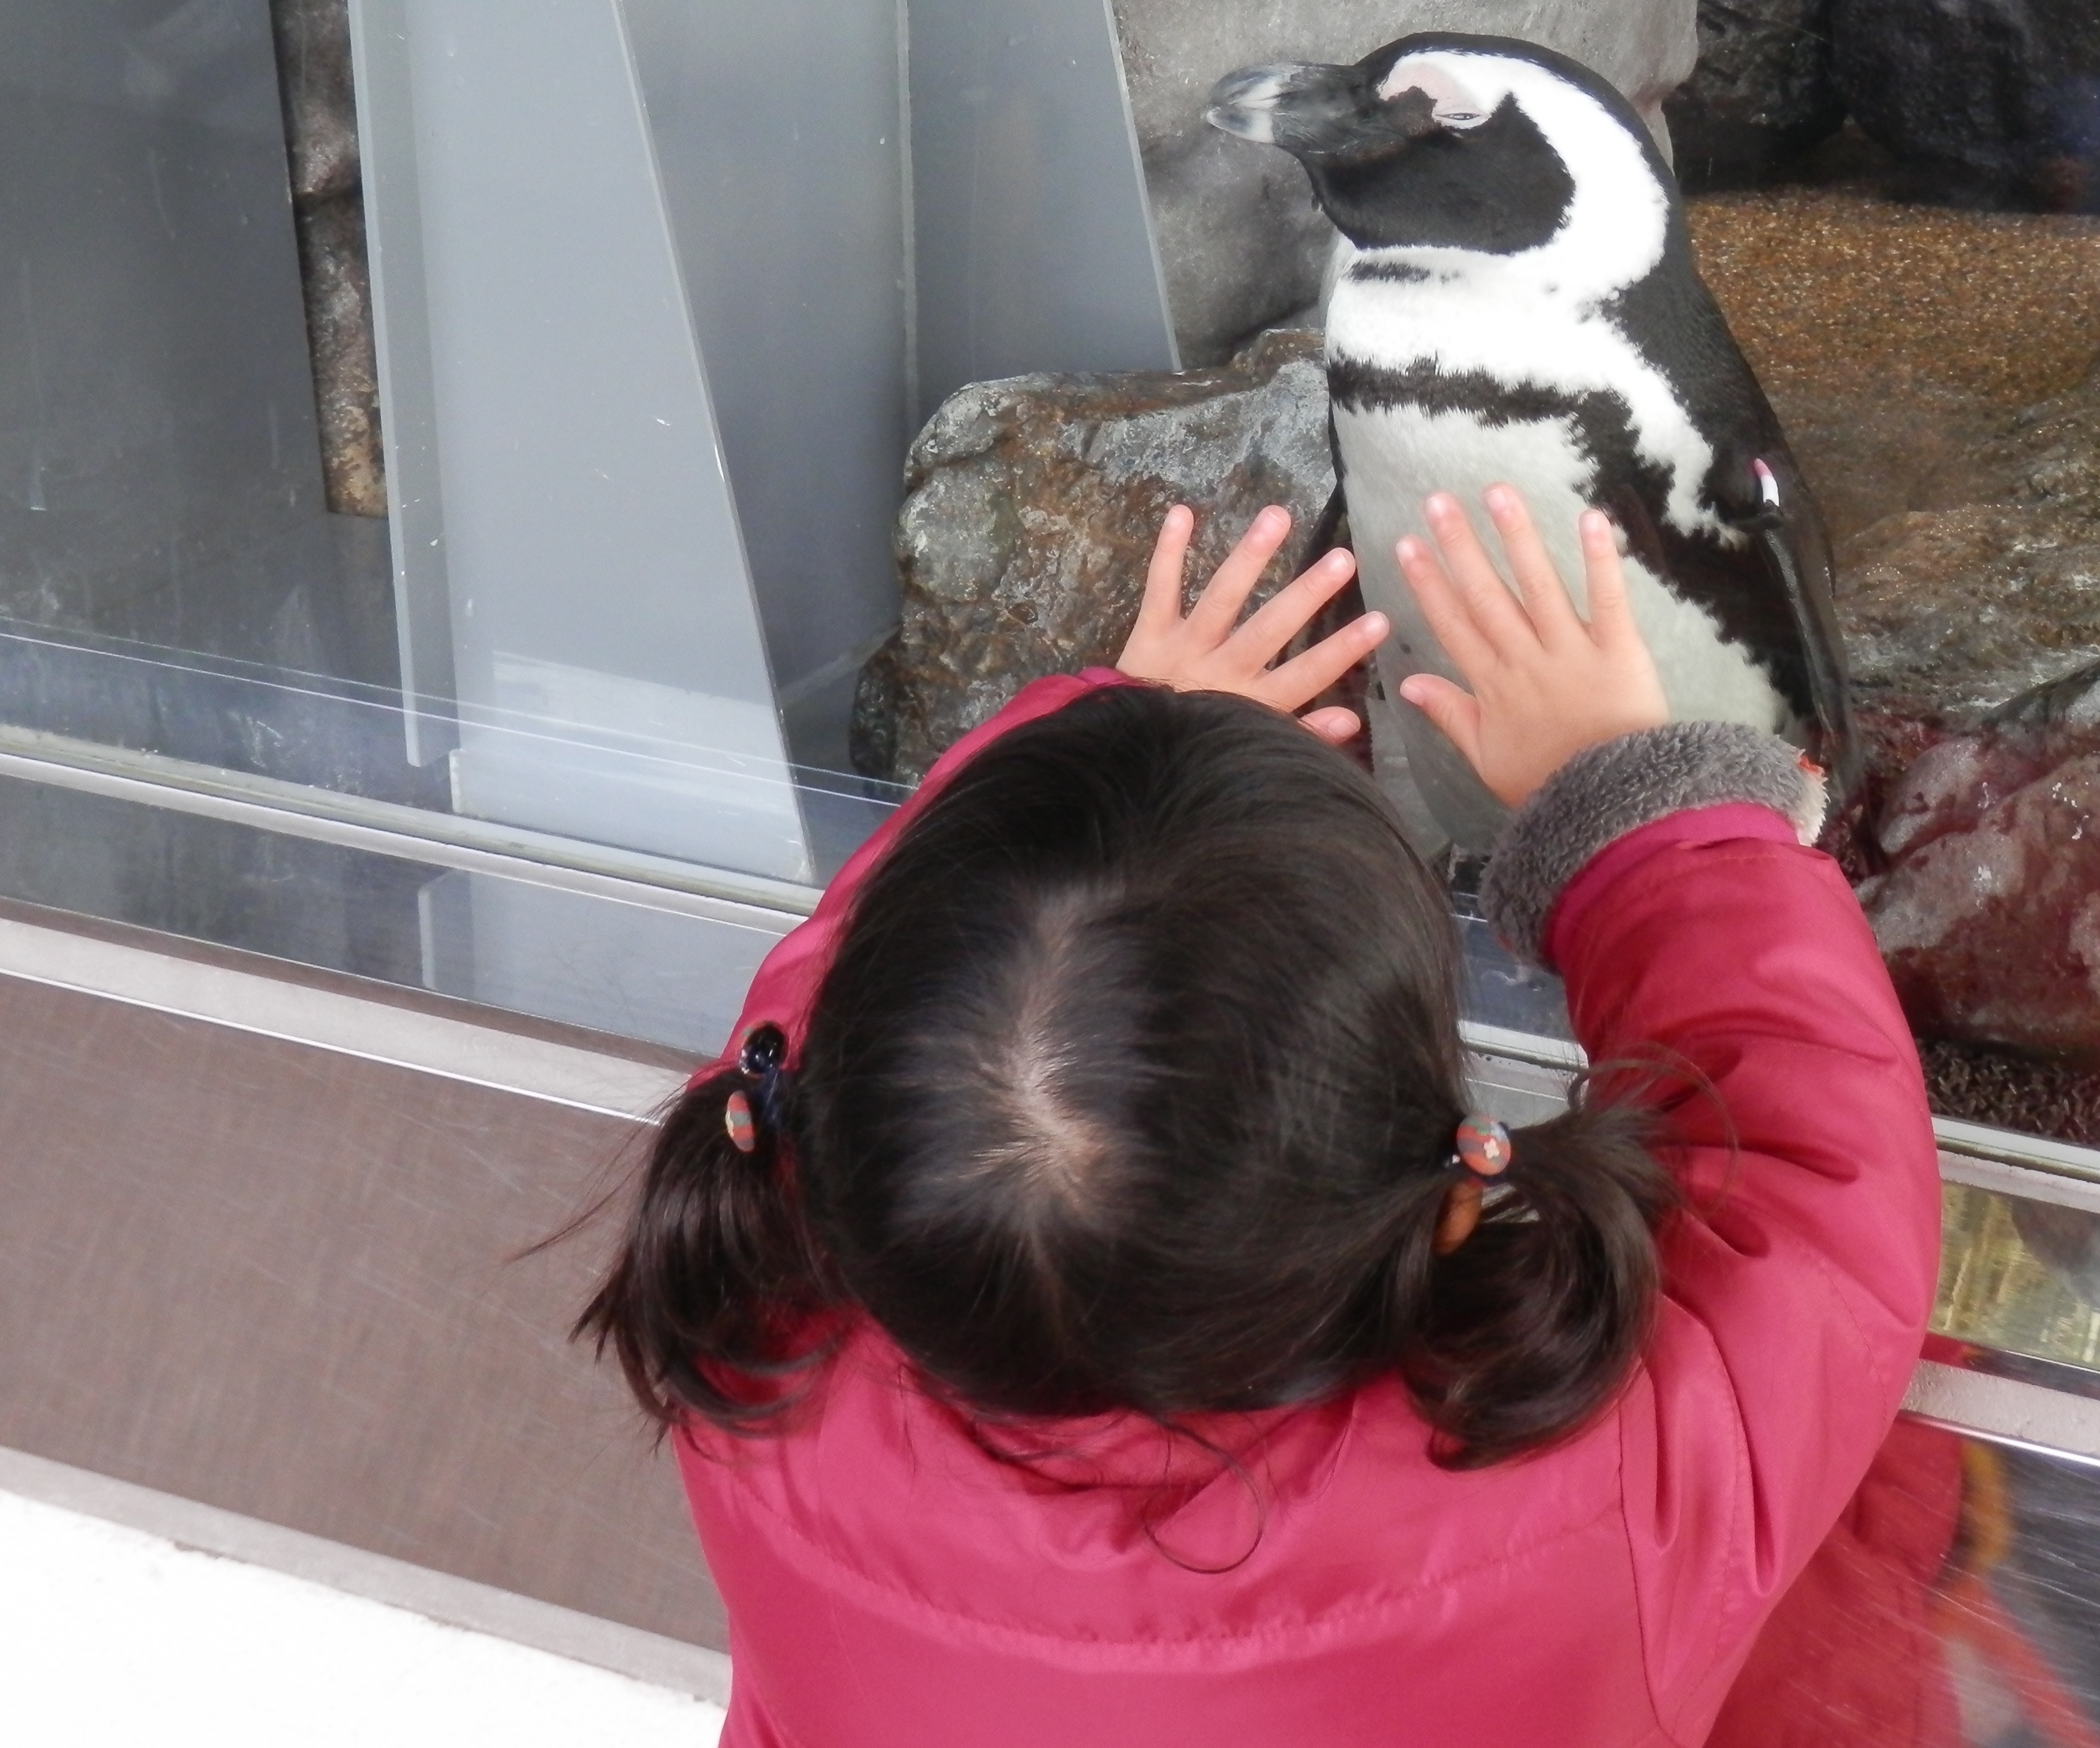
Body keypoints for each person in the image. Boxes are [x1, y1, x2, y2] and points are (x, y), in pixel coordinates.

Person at [581, 487, 1942, 1747]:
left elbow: (823, 1019)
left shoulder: (753, 1359)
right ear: (1453, 1183)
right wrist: (1636, 813)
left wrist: (1083, 772)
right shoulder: (1588, 1487)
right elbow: (1812, 1165)